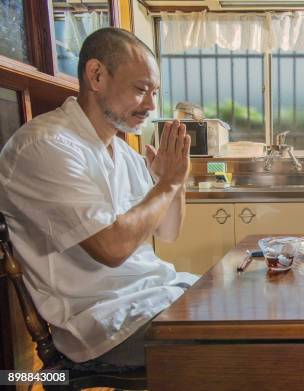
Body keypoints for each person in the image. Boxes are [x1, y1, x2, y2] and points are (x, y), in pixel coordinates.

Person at [0, 27, 198, 367]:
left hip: (154, 295)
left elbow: (168, 232)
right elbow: (113, 249)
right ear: (96, 76)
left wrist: (172, 182)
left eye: (155, 93)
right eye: (141, 90)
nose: (151, 105)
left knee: (249, 306)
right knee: (241, 339)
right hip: (105, 325)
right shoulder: (46, 146)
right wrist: (166, 183)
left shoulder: (121, 151)